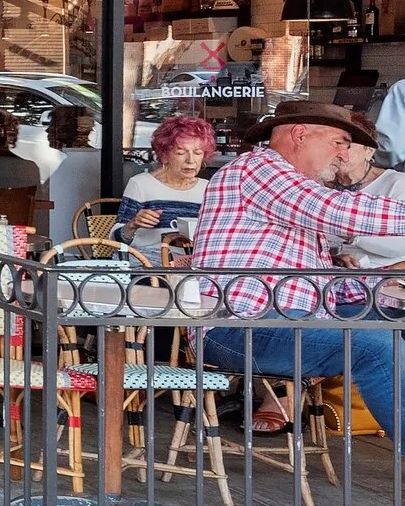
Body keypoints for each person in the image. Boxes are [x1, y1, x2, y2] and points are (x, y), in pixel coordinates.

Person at [191, 100, 405, 440]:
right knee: (375, 346)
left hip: (287, 320)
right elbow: (337, 212)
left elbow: (322, 286)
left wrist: (384, 288)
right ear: (300, 135)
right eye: (338, 143)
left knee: (391, 319)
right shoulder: (256, 168)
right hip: (236, 327)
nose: (341, 155)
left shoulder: (293, 189)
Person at [118, 114, 214, 240]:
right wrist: (133, 224)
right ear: (164, 155)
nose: (190, 160)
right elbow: (116, 241)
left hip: (192, 259)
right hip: (148, 258)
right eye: (180, 152)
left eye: (197, 152)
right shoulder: (141, 184)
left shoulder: (209, 189)